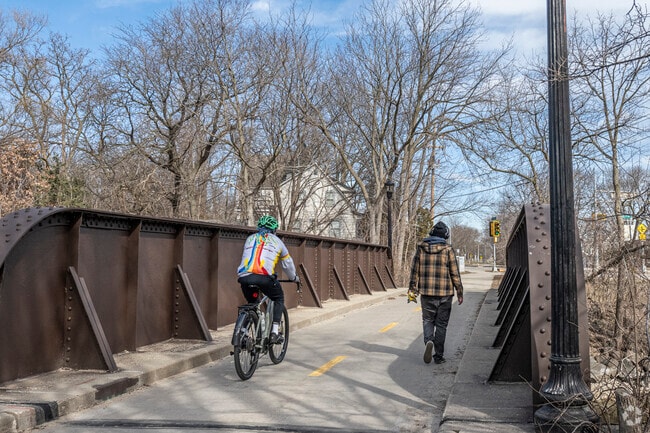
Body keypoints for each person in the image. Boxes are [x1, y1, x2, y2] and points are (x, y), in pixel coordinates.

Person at [407, 221, 464, 364]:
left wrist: (412, 292)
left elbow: (414, 271)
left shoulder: (421, 248)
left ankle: (428, 341)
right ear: (445, 235)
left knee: (427, 320)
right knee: (441, 325)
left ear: (431, 233)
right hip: (445, 294)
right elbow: (454, 272)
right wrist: (460, 291)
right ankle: (438, 356)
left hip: (426, 293)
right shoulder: (448, 249)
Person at [237, 215, 300, 344]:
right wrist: (294, 278)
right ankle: (274, 333)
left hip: (244, 277)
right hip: (264, 278)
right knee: (278, 298)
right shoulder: (277, 241)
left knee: (252, 303)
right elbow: (287, 264)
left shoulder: (250, 239)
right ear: (274, 230)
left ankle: (243, 331)